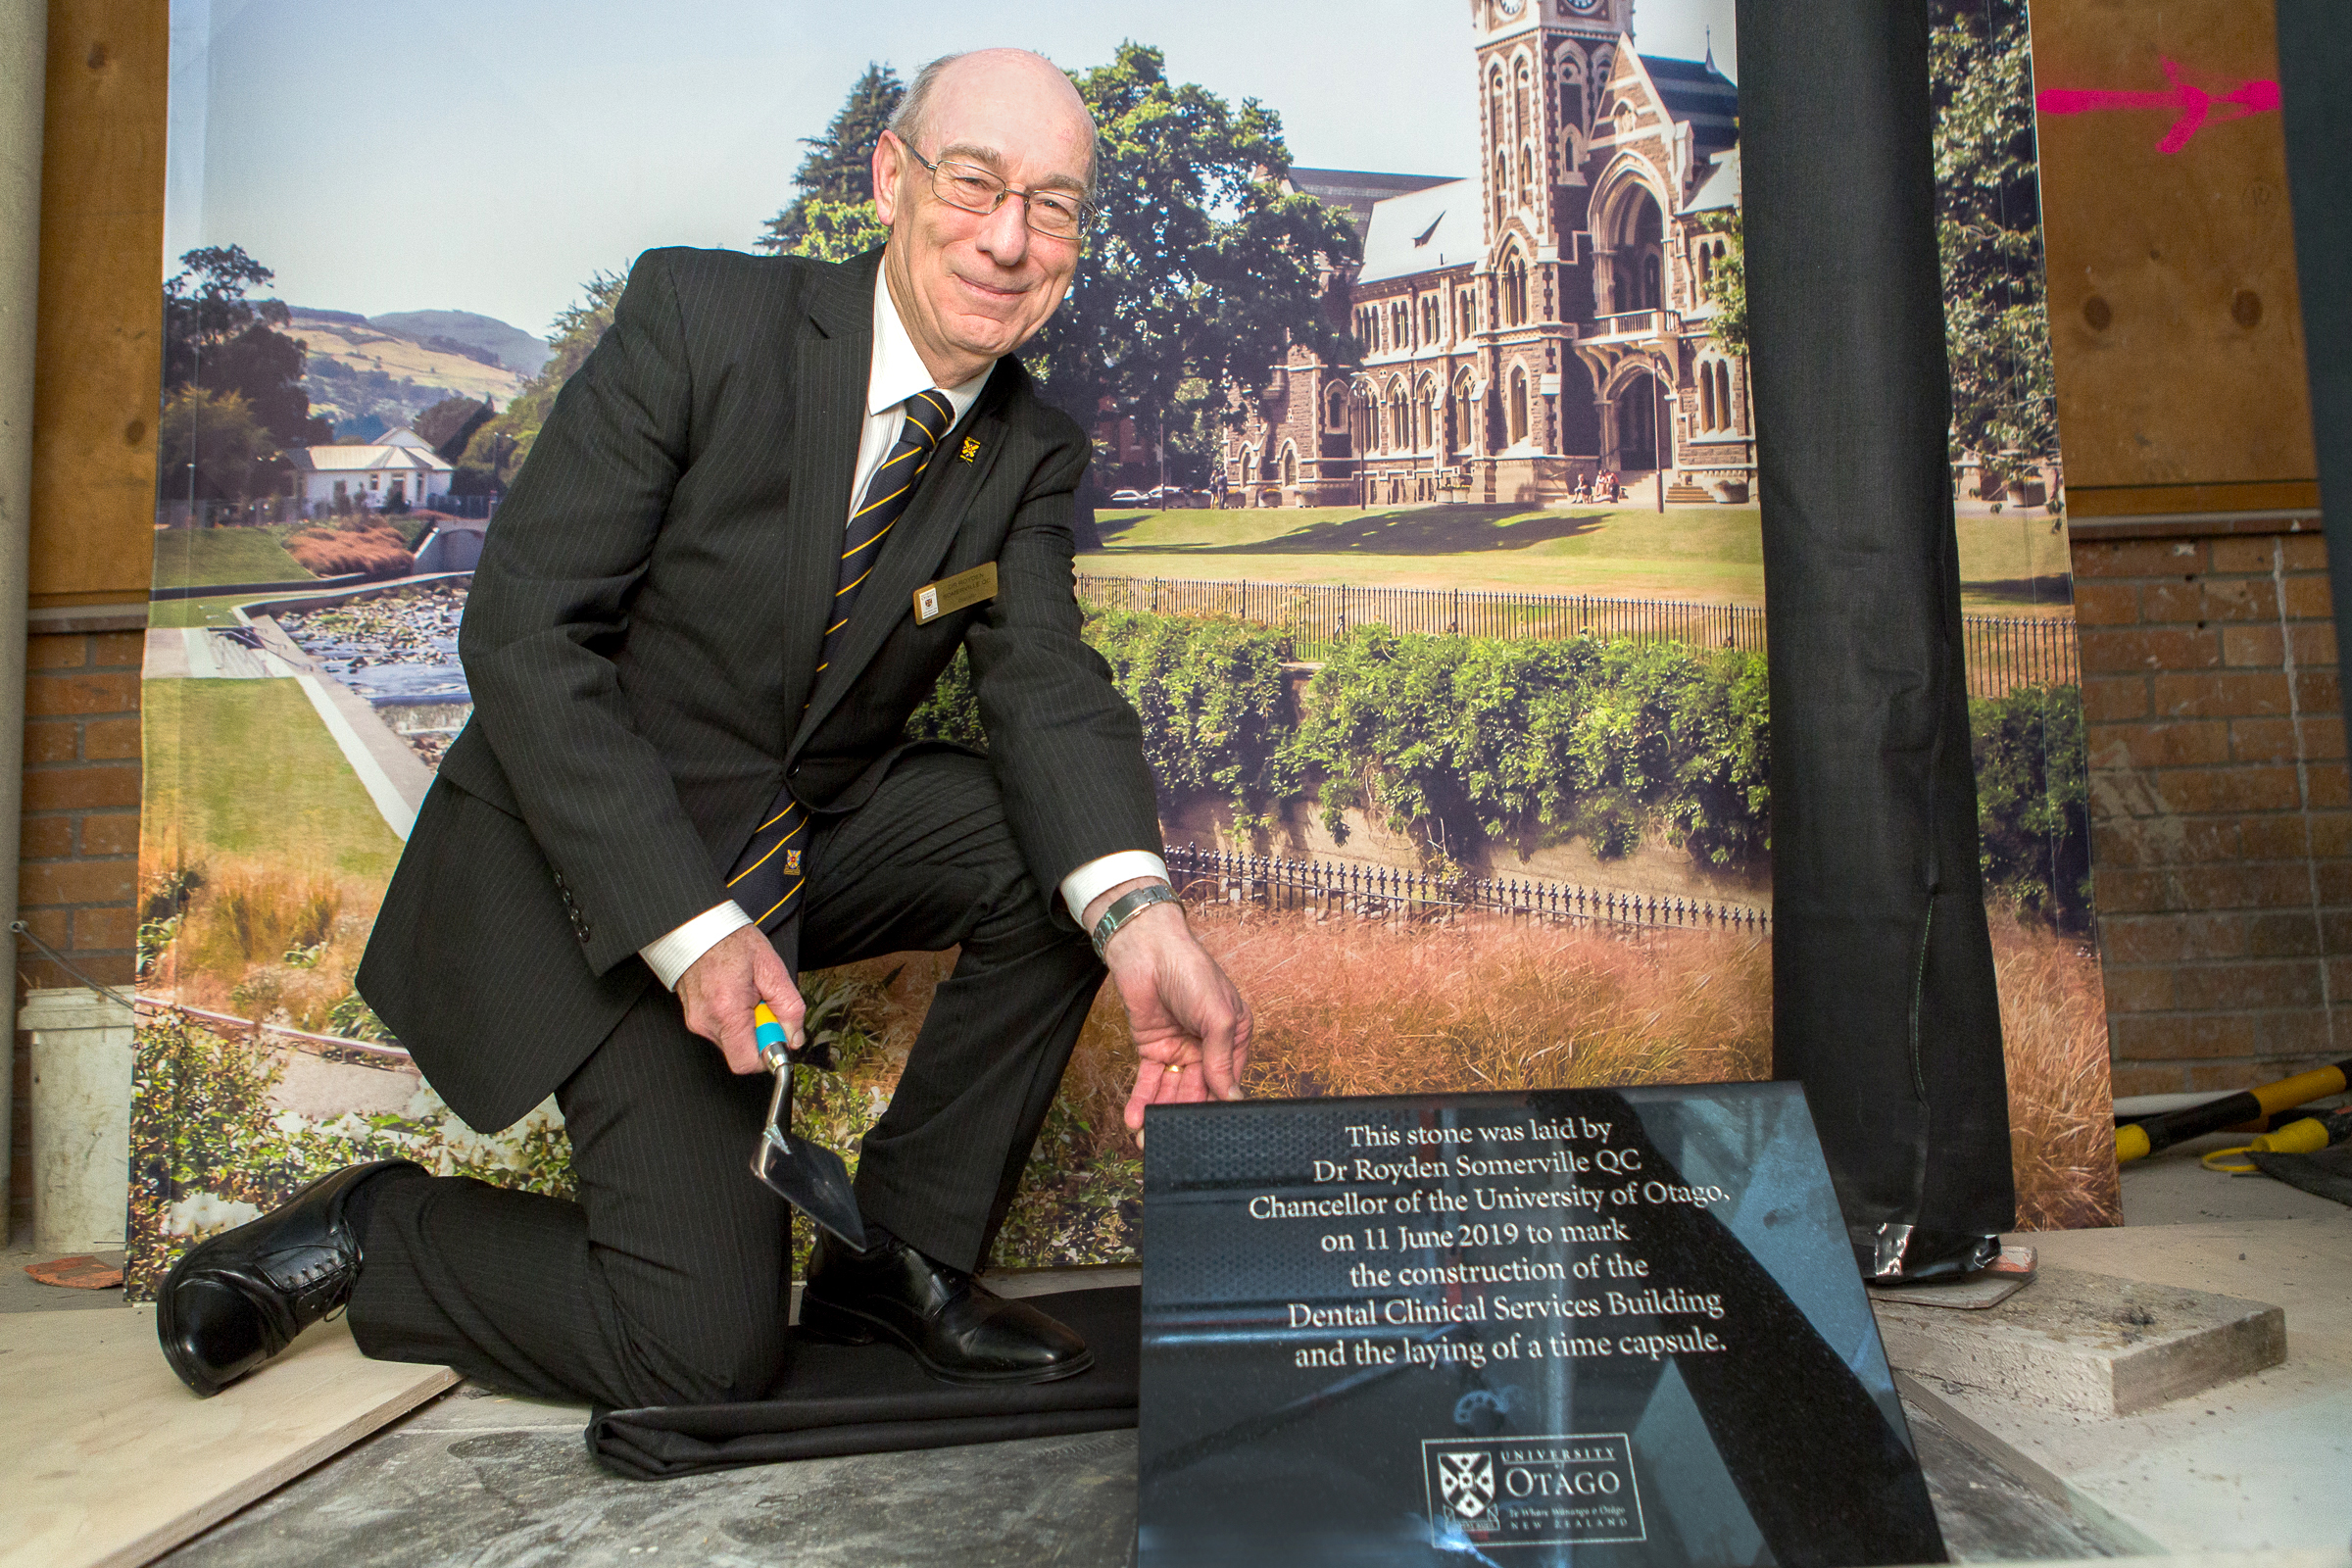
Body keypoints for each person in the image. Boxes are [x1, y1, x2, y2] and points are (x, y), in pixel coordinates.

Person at [155, 48, 1250, 1409]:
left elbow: (1046, 684)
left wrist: (1145, 919)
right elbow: (522, 633)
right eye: (976, 184)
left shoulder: (1028, 449)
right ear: (893, 179)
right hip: (610, 867)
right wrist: (693, 927)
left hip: (800, 839)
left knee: (1070, 867)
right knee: (697, 1351)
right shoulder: (700, 314)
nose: (1011, 238)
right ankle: (372, 1230)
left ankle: (893, 1263)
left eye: (1057, 205)